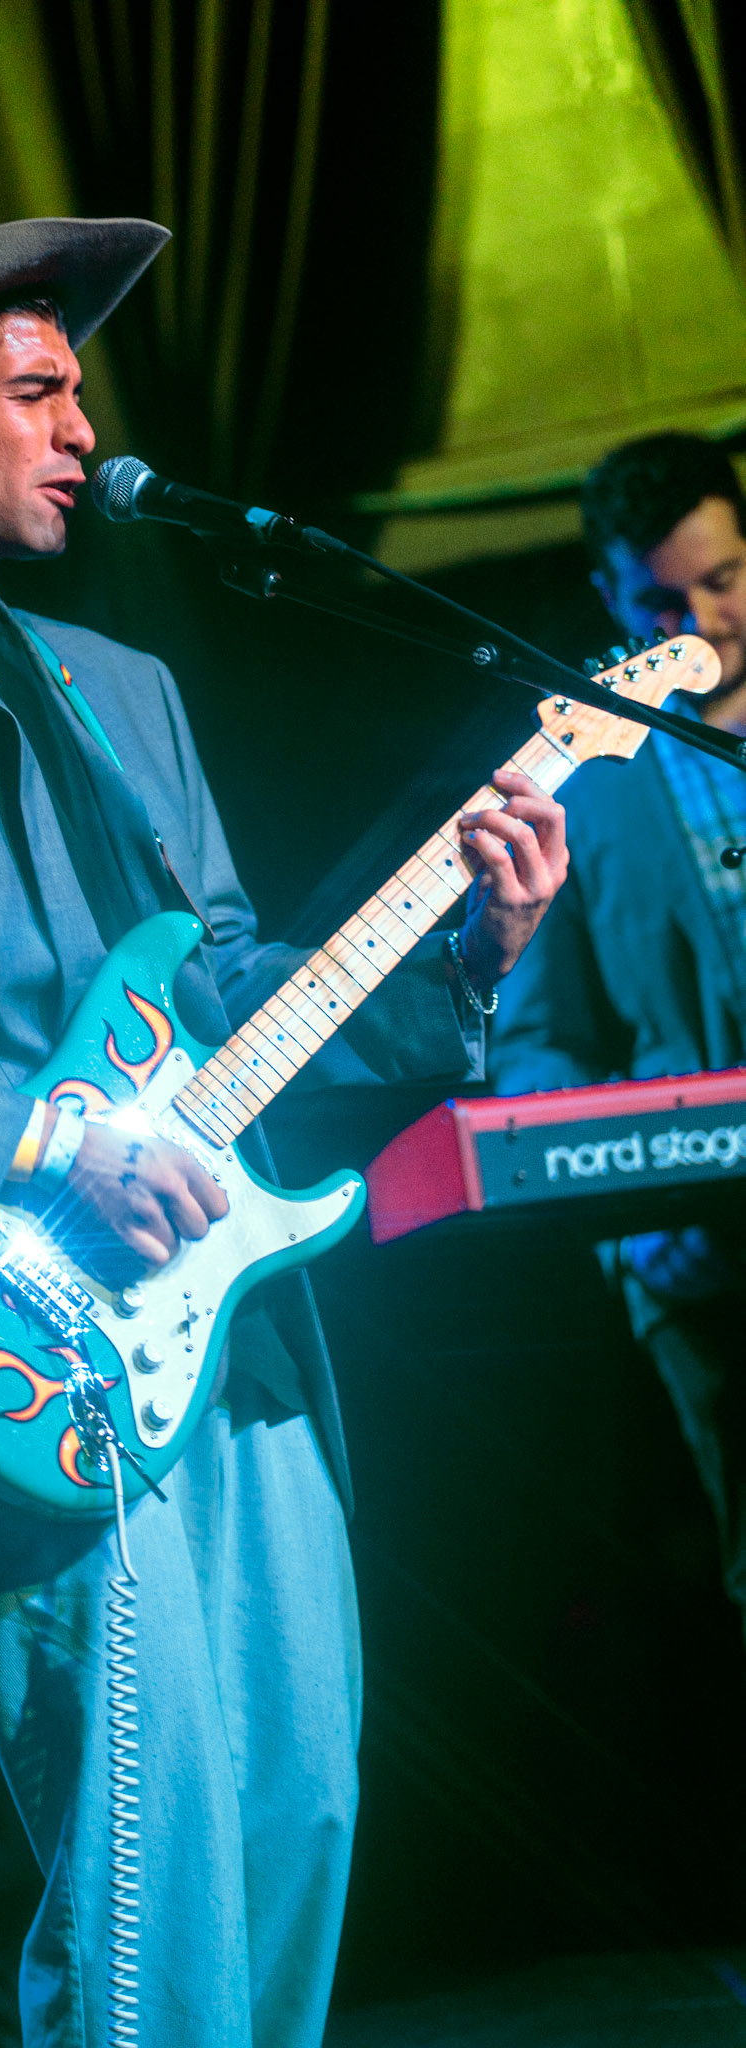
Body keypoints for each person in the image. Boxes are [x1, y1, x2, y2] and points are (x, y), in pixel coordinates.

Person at [0, 183, 566, 2048]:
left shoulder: (119, 688)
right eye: (38, 390)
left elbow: (226, 997)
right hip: (7, 1333)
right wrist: (44, 1140)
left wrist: (461, 956)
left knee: (295, 1819)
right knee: (153, 1879)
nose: (84, 430)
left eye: (80, 392)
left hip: (231, 1324)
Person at [488, 431, 746, 1626]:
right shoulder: (580, 780)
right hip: (711, 1266)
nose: (702, 623)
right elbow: (535, 1046)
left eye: (725, 580)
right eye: (661, 604)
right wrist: (630, 1239)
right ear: (608, 596)